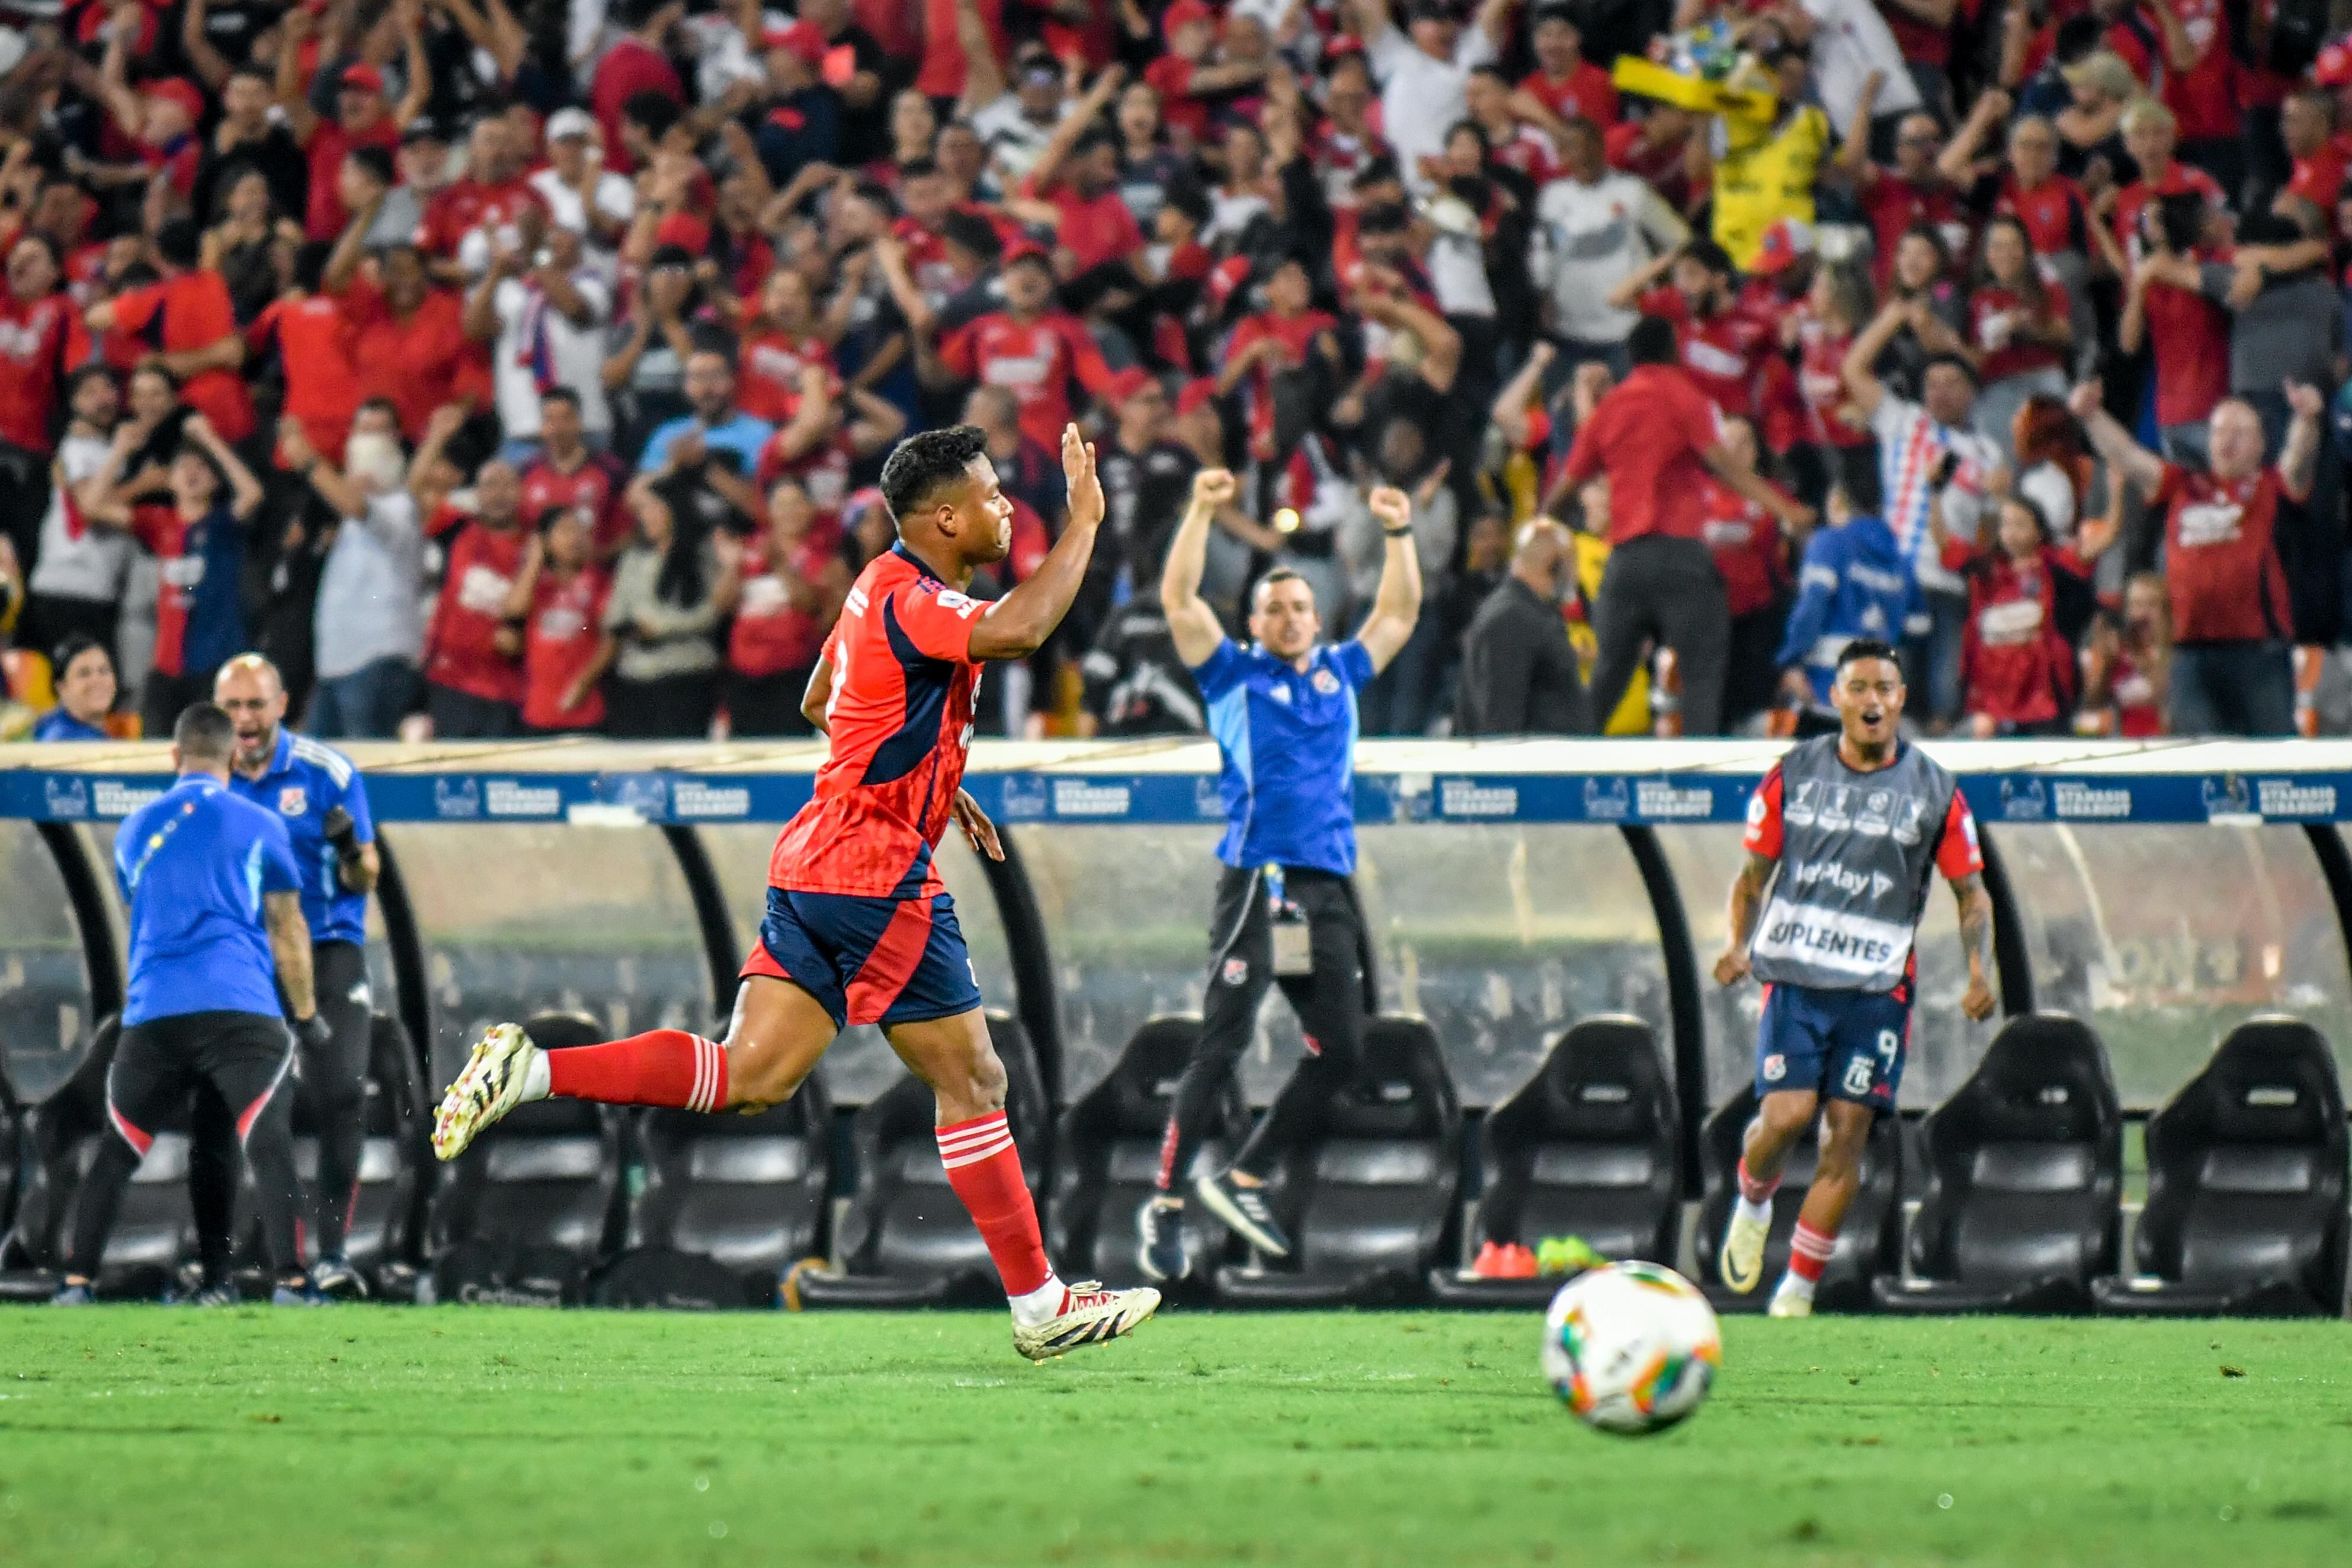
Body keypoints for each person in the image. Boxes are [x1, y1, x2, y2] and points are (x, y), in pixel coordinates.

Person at [428, 423, 1160, 1361]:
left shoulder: (871, 588)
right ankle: (1038, 1300)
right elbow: (1017, 628)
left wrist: (938, 778)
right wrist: (1086, 523)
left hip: (813, 859)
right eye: (988, 495)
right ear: (943, 517)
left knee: (753, 1075)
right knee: (974, 1078)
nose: (1006, 506)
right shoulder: (916, 593)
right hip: (874, 871)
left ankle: (531, 1068)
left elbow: (824, 698)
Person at [1135, 463, 1423, 1281]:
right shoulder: (1232, 672)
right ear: (1252, 620)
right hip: (1258, 877)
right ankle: (1163, 1205)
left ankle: (1245, 1174)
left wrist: (1398, 532)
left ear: (1318, 615)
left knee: (1343, 1048)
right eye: (1272, 606)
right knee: (1221, 1042)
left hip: (1325, 884)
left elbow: (1399, 610)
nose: (1288, 616)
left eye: (1300, 605)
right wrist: (1197, 509)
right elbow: (1177, 600)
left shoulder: (1343, 672)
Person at [1710, 639, 1997, 1319]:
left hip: (1876, 993)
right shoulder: (1794, 772)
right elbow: (1751, 878)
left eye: (1887, 688)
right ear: (1835, 697)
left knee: (1845, 1135)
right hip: (1797, 979)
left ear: (1902, 699)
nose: (1873, 700)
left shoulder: (1935, 789)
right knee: (1786, 1117)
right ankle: (1752, 1198)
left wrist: (1979, 970)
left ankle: (1798, 1290)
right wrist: (1735, 944)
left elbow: (1971, 893)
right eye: (1859, 687)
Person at [52, 703, 328, 1306]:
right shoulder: (260, 824)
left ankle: (76, 1282)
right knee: (268, 1141)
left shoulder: (133, 829)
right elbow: (288, 929)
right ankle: (293, 1283)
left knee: (118, 1148)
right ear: (235, 757)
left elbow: (143, 901)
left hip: (154, 1014)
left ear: (174, 756)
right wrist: (306, 1014)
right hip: (240, 1008)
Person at [214, 655, 380, 1296]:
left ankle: (332, 1254)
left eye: (255, 705)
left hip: (329, 948)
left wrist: (345, 850)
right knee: (259, 1107)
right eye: (232, 707)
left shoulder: (327, 772)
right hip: (250, 958)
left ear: (282, 704)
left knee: (343, 1093)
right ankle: (269, 1262)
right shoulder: (208, 778)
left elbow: (368, 873)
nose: (245, 720)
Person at [1561, 315, 1813, 737]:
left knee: (1606, 678)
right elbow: (1725, 465)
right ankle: (1701, 783)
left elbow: (1570, 479)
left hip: (1626, 561)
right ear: (1672, 351)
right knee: (1701, 676)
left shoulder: (1612, 408)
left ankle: (1565, 773)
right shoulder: (1686, 397)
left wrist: (1543, 517)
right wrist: (1787, 510)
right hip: (1682, 560)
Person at [2069, 378, 2321, 735]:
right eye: (2219, 431)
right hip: (2188, 652)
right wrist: (2092, 416)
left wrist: (2305, 420)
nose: (2227, 440)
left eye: (2239, 432)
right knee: (2197, 761)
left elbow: (2298, 458)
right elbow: (2127, 455)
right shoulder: (2179, 486)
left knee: (2273, 761)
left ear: (2261, 444)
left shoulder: (2271, 486)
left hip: (2258, 651)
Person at [1453, 519, 1583, 735]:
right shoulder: (1511, 619)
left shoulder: (1528, 611)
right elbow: (1500, 721)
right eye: (1571, 564)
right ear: (1553, 565)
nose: (1575, 576)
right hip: (1529, 765)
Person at [33, 636, 118, 740]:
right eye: (84, 673)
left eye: (104, 671)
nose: (97, 681)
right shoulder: (61, 739)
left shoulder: (94, 734)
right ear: (62, 687)